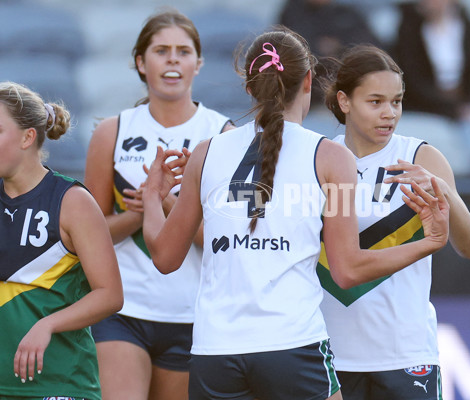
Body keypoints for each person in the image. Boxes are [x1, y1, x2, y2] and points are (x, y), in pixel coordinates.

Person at [140, 27, 450, 400]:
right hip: (292, 345)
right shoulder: (331, 158)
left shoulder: (206, 154)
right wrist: (429, 242)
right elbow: (348, 270)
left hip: (215, 351)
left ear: (249, 86)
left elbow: (164, 257)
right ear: (308, 81)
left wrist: (153, 199)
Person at [84, 9, 234, 400]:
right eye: (161, 50)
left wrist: (168, 203)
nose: (172, 59)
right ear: (140, 62)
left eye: (183, 51)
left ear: (198, 64)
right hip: (121, 310)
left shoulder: (222, 134)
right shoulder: (111, 131)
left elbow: (230, 241)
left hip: (193, 316)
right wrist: (140, 210)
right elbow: (89, 234)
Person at [318, 44, 470, 399]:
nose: (389, 113)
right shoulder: (318, 158)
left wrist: (443, 192)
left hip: (407, 352)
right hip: (331, 352)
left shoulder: (422, 156)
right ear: (344, 102)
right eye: (375, 102)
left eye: (397, 101)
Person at [0, 81, 123, 399]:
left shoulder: (72, 200)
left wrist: (47, 325)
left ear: (28, 137)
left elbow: (110, 295)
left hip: (59, 383)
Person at [390, 0, 470, 122]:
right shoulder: (409, 25)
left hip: (463, 100)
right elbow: (412, 78)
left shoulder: (463, 21)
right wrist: (453, 108)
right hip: (425, 104)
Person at [278, 0, 381, 106]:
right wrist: (319, 50)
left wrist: (340, 47)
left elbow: (371, 47)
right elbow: (286, 47)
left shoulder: (346, 14)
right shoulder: (293, 14)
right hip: (307, 93)